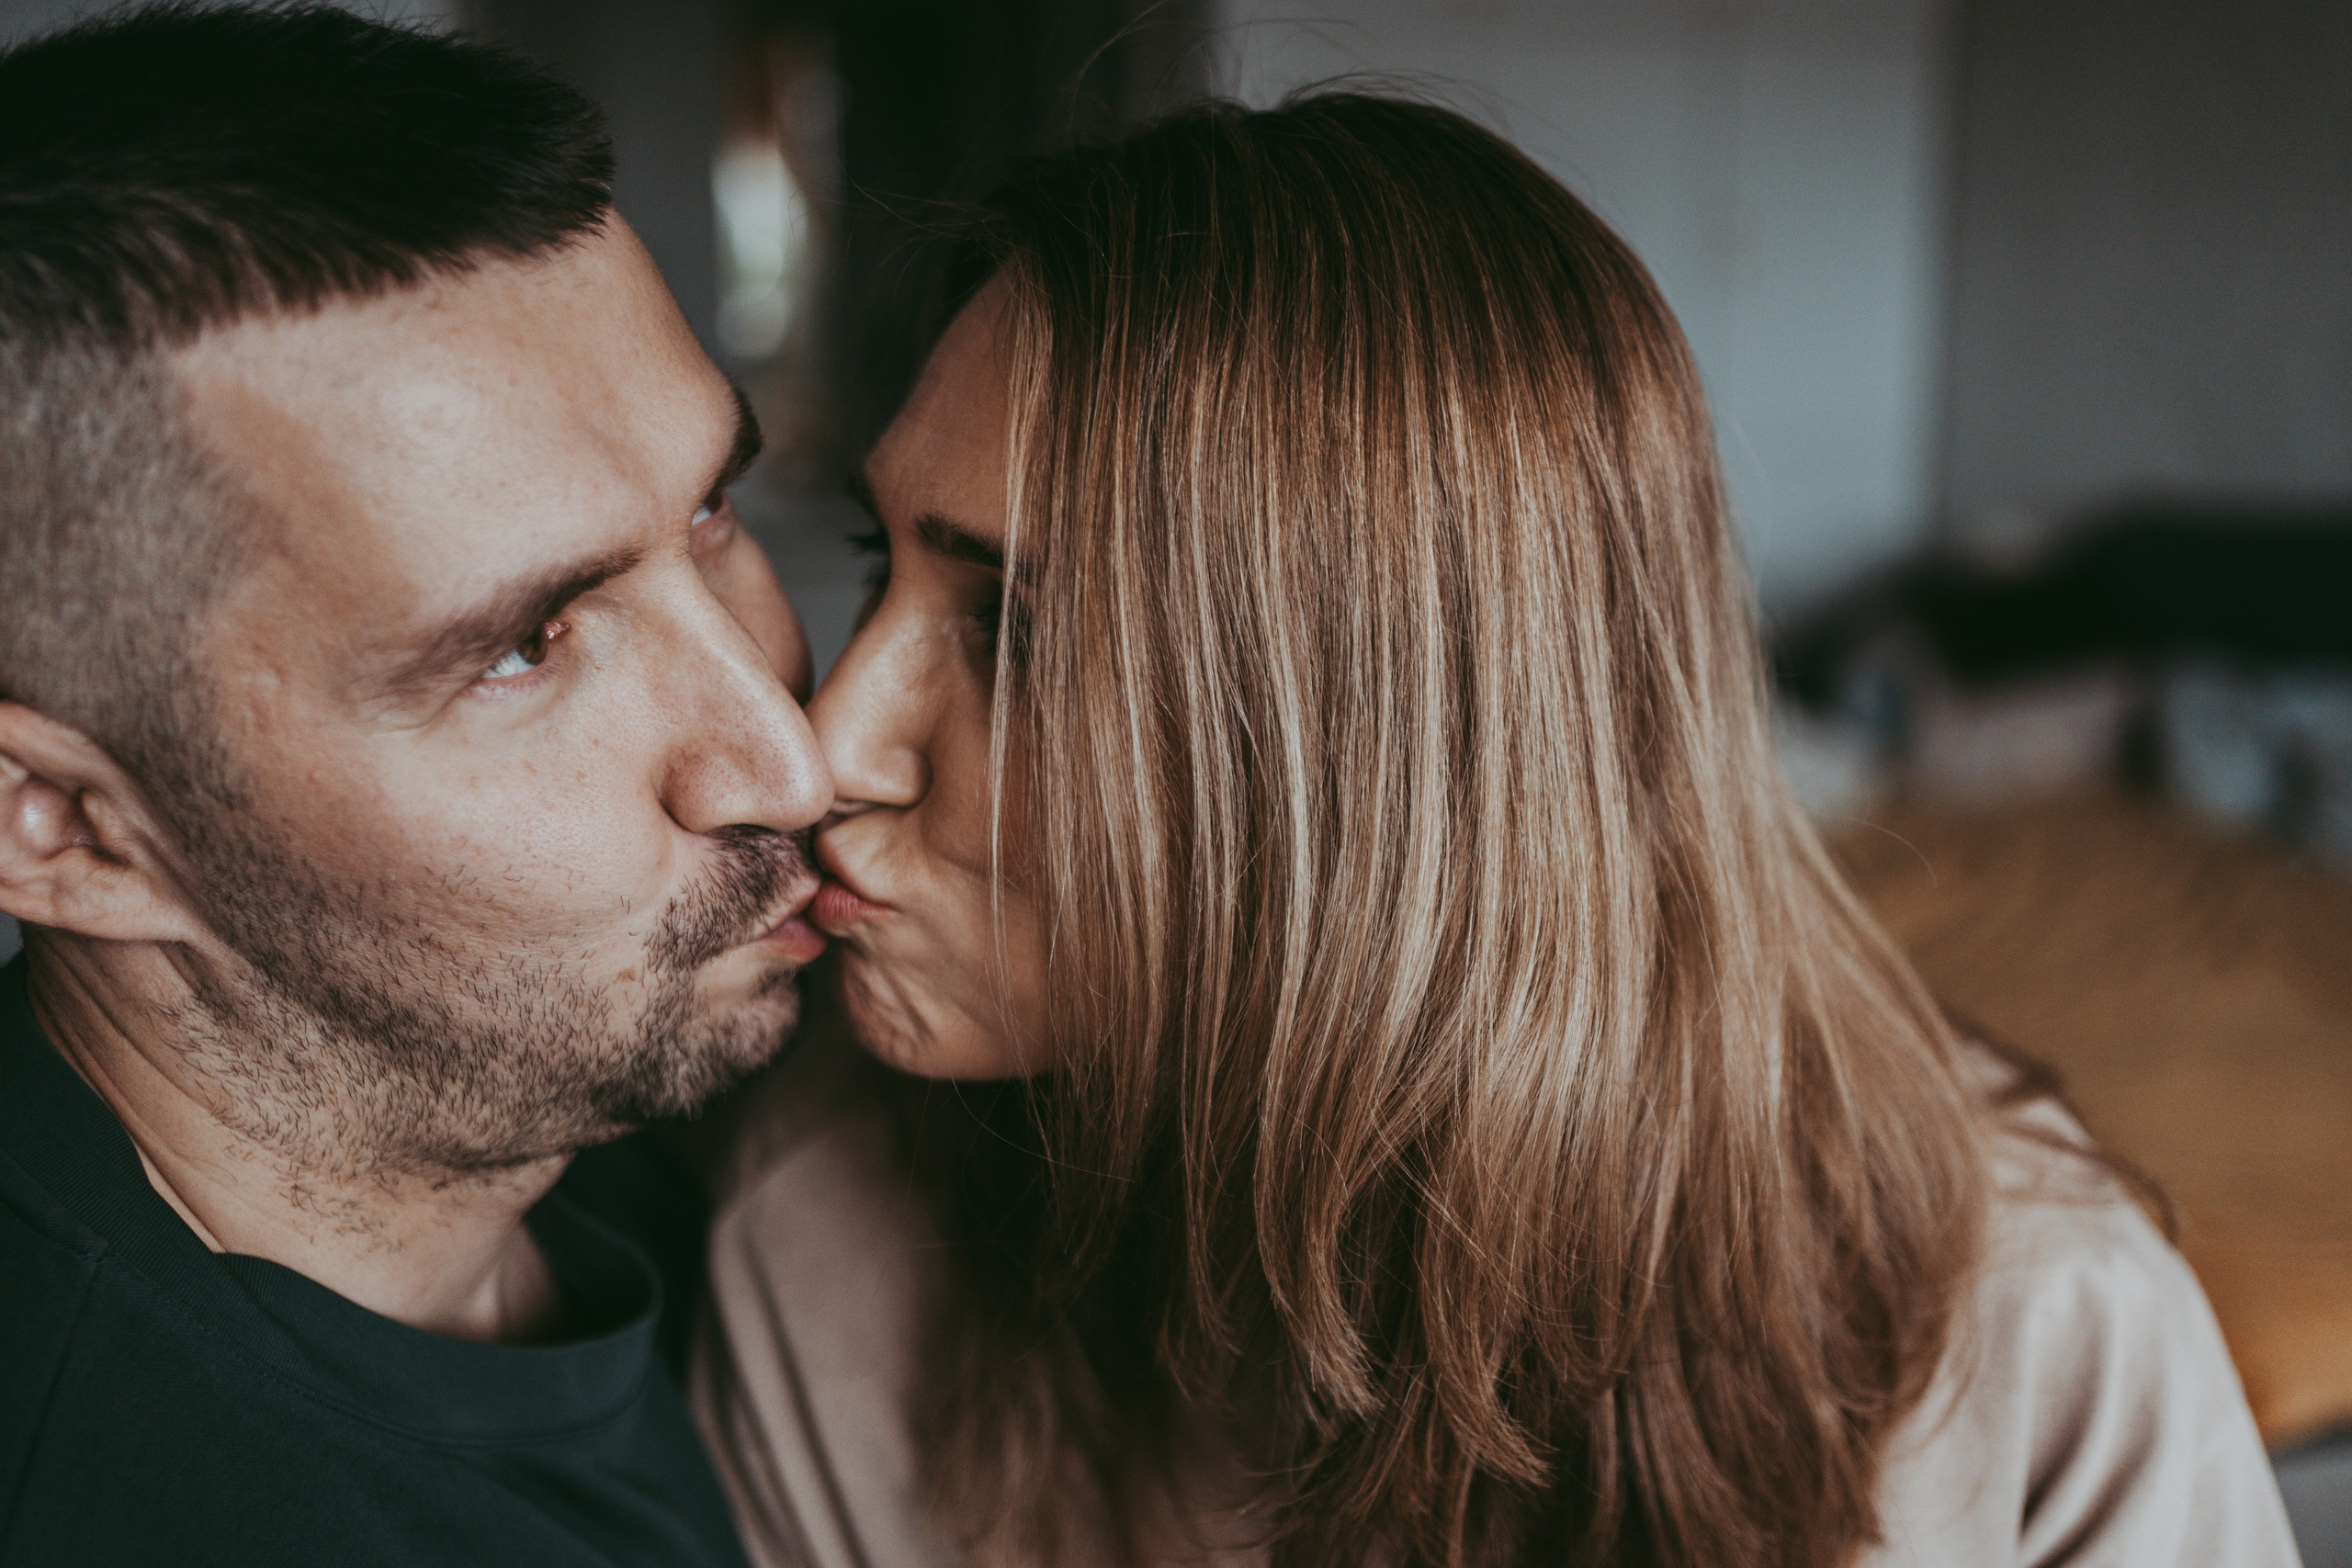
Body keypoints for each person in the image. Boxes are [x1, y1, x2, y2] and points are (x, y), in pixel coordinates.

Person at [694, 96, 2301, 1566]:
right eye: (877, 557)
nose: (824, 745)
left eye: (1020, 629)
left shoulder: (2027, 1336)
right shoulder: (824, 1221)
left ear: (1384, 753)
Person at [0, 7, 831, 1564]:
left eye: (711, 507)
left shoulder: (695, 1112)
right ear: (66, 829)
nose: (787, 756)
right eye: (525, 644)